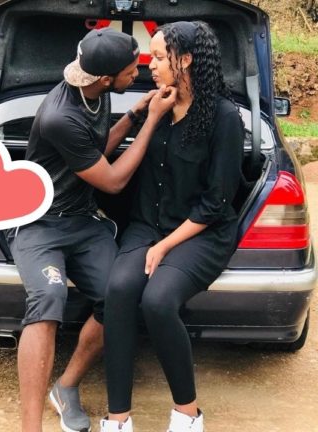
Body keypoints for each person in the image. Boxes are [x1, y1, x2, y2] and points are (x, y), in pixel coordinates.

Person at [6, 27, 176, 432]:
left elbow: (95, 150)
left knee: (118, 297)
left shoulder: (96, 92)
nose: (138, 73)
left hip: (83, 220)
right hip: (39, 222)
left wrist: (133, 116)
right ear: (104, 78)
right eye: (131, 70)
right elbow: (113, 181)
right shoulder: (60, 116)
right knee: (47, 299)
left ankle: (65, 387)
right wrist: (152, 120)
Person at [100, 21, 243, 432]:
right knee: (119, 291)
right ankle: (118, 419)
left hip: (203, 231)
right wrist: (143, 114)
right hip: (148, 225)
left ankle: (187, 414)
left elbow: (216, 203)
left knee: (158, 301)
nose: (151, 65)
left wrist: (164, 247)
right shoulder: (157, 108)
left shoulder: (224, 118)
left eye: (160, 57)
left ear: (187, 60)